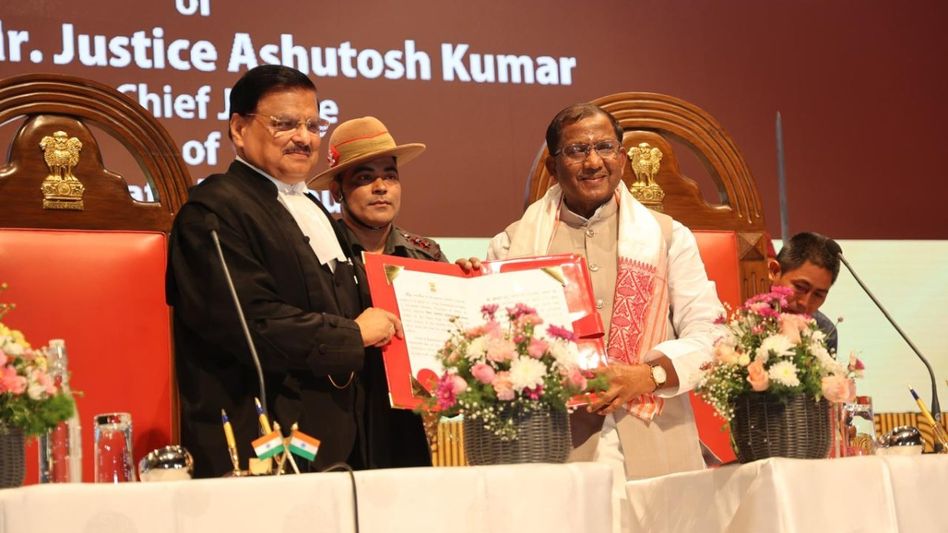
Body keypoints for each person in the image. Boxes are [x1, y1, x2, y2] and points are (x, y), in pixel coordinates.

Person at [166, 65, 404, 478]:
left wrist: (444, 284)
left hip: (336, 447)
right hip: (261, 446)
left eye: (313, 124)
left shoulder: (312, 208)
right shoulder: (212, 212)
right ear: (239, 129)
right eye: (285, 124)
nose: (304, 137)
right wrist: (353, 335)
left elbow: (360, 305)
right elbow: (254, 322)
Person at [486, 103, 723, 486]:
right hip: (553, 447)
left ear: (623, 159)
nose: (594, 161)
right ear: (553, 167)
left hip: (658, 440)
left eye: (606, 147)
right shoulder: (512, 245)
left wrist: (648, 375)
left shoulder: (668, 237)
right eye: (578, 150)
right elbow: (496, 350)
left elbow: (711, 334)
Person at [308, 115, 447, 466]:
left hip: (407, 424)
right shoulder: (318, 253)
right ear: (337, 190)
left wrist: (467, 284)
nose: (381, 187)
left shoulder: (426, 255)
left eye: (390, 175)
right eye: (365, 178)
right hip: (335, 419)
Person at [769, 231, 841, 352]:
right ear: (775, 271)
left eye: (818, 295)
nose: (805, 303)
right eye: (800, 287)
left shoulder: (825, 331)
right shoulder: (746, 316)